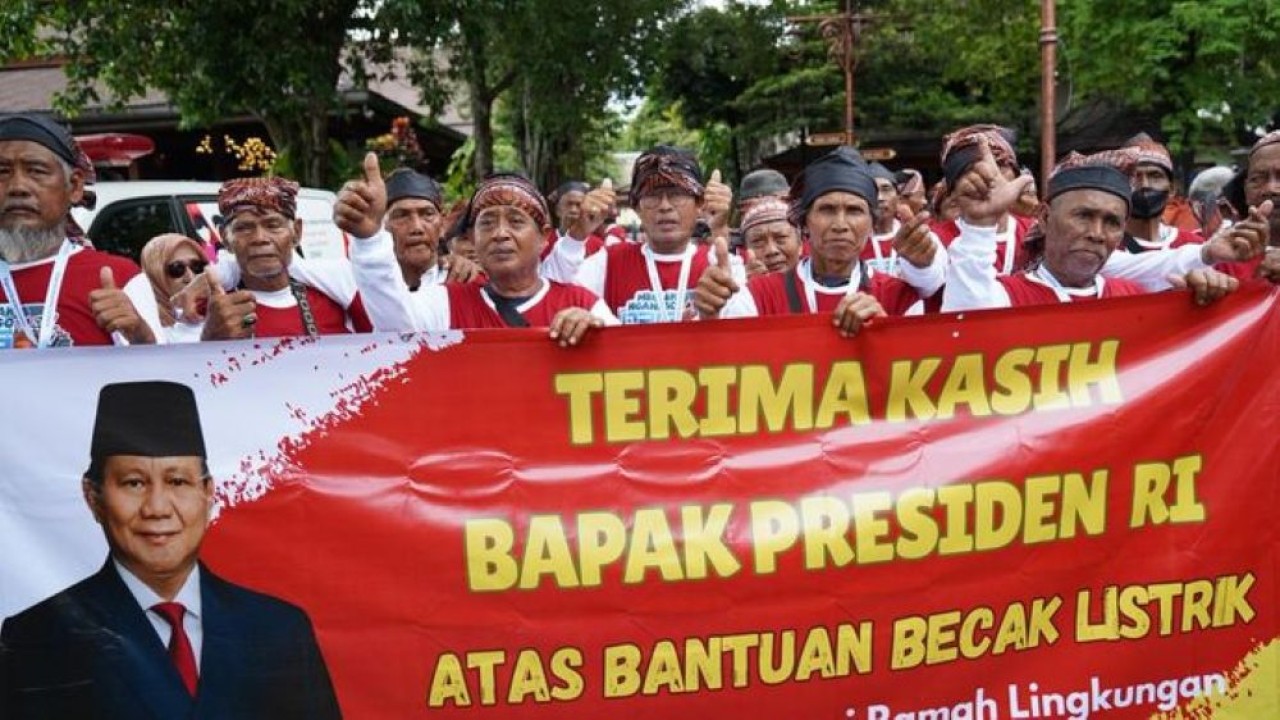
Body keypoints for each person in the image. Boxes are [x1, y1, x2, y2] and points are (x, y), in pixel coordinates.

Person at [0, 381, 341, 719]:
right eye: (134, 483)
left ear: (208, 494)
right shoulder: (38, 636)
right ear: (93, 497)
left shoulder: (279, 630)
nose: (158, 508)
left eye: (178, 482)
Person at [339, 155, 616, 345]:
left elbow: (630, 364)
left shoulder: (583, 303)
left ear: (544, 237)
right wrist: (369, 239)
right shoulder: (444, 302)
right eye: (487, 223)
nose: (500, 233)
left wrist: (598, 337)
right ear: (472, 238)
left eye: (516, 221)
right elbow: (395, 326)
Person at [942, 140, 1243, 310]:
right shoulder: (1006, 296)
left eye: (1112, 222)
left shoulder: (1133, 300)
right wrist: (980, 225)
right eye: (1083, 216)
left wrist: (1206, 307)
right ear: (1045, 218)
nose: (1097, 234)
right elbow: (965, 322)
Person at [695, 147, 932, 336]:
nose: (840, 224)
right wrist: (709, 316)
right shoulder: (759, 294)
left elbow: (911, 386)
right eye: (827, 210)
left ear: (871, 224)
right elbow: (731, 364)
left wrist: (887, 335)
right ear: (804, 223)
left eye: (854, 211)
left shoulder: (900, 298)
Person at [0, 112, 163, 348]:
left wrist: (139, 334)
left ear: (75, 186)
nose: (18, 187)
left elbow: (159, 378)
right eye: (2, 172)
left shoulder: (119, 278)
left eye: (36, 170)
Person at [544, 144, 742, 324]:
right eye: (653, 196)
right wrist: (577, 234)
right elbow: (550, 292)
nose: (665, 206)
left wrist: (719, 231)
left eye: (676, 195)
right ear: (637, 207)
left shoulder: (719, 263)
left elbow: (745, 328)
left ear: (699, 204)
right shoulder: (608, 262)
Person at [200, 177, 374, 341]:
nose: (259, 238)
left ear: (296, 232)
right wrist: (210, 342)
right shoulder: (211, 310)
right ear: (225, 238)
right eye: (244, 228)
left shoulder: (337, 294)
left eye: (273, 225)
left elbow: (388, 345)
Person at [382, 168, 479, 290]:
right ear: (382, 226)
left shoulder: (470, 284)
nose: (416, 227)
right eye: (401, 215)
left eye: (427, 214)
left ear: (442, 224)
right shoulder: (363, 287)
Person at [861, 161, 947, 293]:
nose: (880, 198)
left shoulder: (920, 236)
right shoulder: (854, 242)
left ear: (898, 198)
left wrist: (921, 269)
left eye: (886, 189)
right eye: (873, 191)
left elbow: (935, 286)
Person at [1117, 134, 1204, 252]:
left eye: (1155, 176)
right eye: (1135, 176)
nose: (1145, 185)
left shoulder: (1196, 249)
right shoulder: (1103, 250)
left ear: (1172, 189)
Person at [140, 233, 209, 343]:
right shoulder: (149, 330)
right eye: (177, 269)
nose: (190, 277)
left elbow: (245, 321)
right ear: (156, 276)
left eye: (197, 267)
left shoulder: (218, 305)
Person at [738, 198, 802, 275]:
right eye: (758, 242)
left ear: (800, 245)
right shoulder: (740, 283)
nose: (771, 250)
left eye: (781, 238)